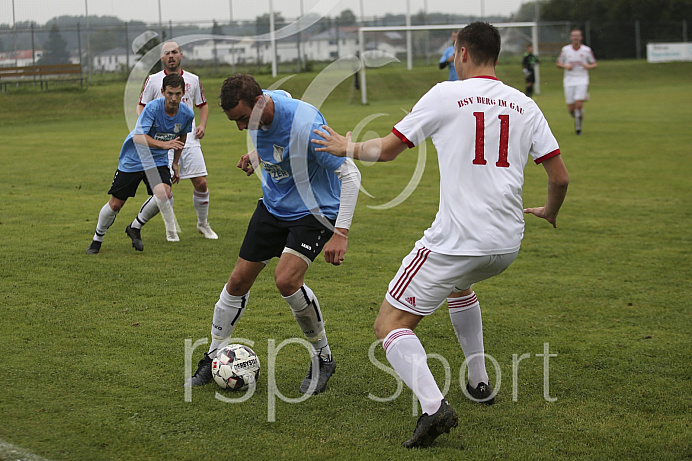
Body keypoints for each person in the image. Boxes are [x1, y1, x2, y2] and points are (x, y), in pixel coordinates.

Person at [312, 22, 569, 448]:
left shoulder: (445, 93)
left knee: (389, 324)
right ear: (496, 56)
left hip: (458, 241)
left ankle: (434, 408)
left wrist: (346, 147)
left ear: (463, 53)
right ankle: (479, 382)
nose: (452, 58)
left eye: (453, 50)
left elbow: (390, 149)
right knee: (460, 284)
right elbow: (559, 177)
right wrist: (549, 212)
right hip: (506, 244)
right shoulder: (525, 104)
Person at [186, 74, 362, 395]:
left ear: (257, 103)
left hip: (313, 210)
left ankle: (323, 357)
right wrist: (258, 155)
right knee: (238, 282)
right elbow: (280, 108)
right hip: (273, 205)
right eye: (234, 122)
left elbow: (350, 173)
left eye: (242, 119)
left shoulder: (306, 125)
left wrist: (341, 233)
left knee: (286, 280)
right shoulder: (267, 99)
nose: (241, 128)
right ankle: (213, 355)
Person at [87, 73, 194, 254]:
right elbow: (138, 137)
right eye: (170, 93)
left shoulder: (186, 114)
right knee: (116, 204)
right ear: (163, 92)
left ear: (183, 93)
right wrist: (164, 144)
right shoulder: (152, 108)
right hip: (134, 159)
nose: (174, 98)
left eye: (177, 94)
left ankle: (135, 227)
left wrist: (175, 163)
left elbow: (182, 136)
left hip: (157, 160)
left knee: (164, 194)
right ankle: (97, 238)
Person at [138, 41, 218, 241]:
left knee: (200, 182)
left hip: (188, 138)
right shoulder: (153, 80)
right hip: (161, 141)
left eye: (174, 52)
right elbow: (142, 106)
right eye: (167, 53)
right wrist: (144, 129)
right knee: (165, 189)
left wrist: (202, 125)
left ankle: (203, 224)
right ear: (162, 58)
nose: (171, 56)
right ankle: (168, 229)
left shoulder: (193, 79)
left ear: (181, 55)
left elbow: (203, 104)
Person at [556, 29, 597, 135]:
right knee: (571, 109)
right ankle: (578, 116)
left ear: (581, 37)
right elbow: (558, 63)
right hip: (569, 80)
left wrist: (588, 66)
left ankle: (578, 128)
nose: (575, 38)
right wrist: (566, 66)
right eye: (574, 36)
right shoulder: (565, 50)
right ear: (571, 38)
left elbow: (594, 64)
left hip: (582, 79)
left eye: (577, 36)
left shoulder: (586, 50)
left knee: (578, 104)